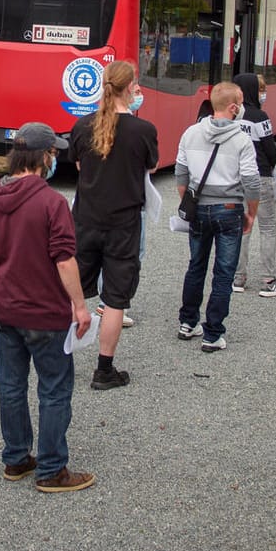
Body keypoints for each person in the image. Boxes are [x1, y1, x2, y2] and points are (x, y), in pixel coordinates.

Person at [0, 122, 93, 493]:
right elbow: (64, 260)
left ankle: (16, 457)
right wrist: (80, 306)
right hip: (45, 314)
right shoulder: (52, 202)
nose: (55, 158)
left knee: (11, 386)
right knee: (54, 389)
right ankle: (52, 469)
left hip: (6, 311)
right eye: (53, 153)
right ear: (43, 157)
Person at [64, 61, 158, 390]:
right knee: (115, 300)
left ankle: (57, 360)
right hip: (124, 224)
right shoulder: (143, 131)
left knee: (69, 292)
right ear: (131, 87)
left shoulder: (82, 125)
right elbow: (151, 165)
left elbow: (79, 166)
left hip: (87, 218)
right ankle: (104, 370)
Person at [174, 83, 261, 350]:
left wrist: (187, 202)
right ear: (234, 108)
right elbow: (251, 182)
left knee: (196, 265)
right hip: (229, 210)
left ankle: (188, 322)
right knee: (224, 273)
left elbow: (181, 174)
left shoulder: (191, 132)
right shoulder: (242, 140)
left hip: (199, 207)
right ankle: (213, 333)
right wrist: (251, 213)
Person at [230, 72, 276, 297]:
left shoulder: (233, 117)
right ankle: (268, 279)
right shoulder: (260, 116)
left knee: (243, 227)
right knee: (268, 227)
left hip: (238, 177)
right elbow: (270, 150)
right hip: (260, 175)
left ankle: (238, 278)